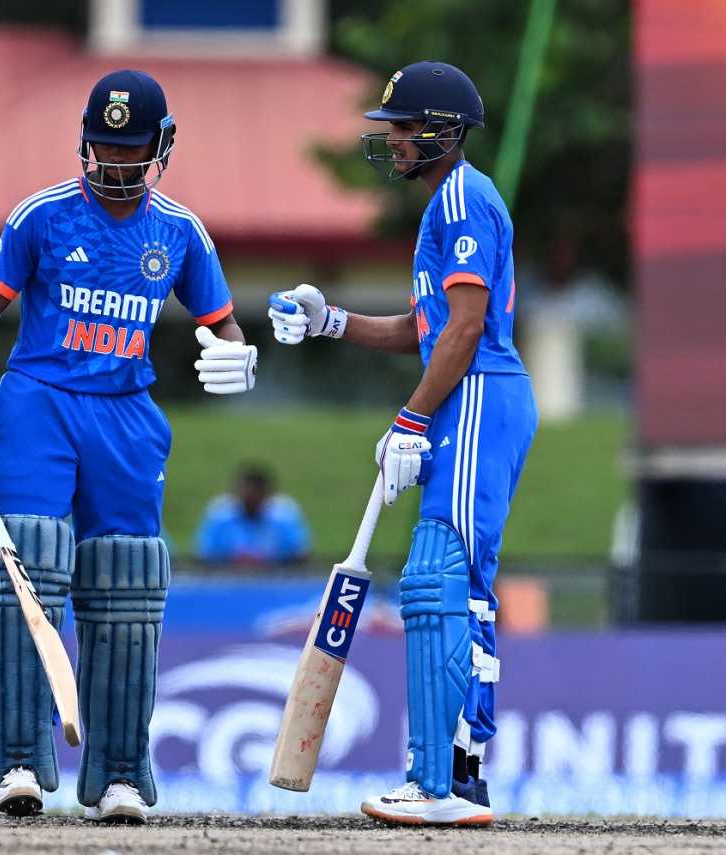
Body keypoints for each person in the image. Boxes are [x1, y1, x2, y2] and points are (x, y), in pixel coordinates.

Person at [0, 69, 257, 823]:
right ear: (84, 143)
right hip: (39, 399)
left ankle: (116, 771)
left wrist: (238, 355)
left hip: (127, 413)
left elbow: (223, 323)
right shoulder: (43, 216)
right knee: (27, 566)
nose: (115, 165)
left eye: (131, 150)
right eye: (104, 149)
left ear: (162, 147)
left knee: (126, 583)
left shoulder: (178, 230)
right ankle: (18, 758)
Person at [268, 61, 537, 827]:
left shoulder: (462, 198)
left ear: (442, 131)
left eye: (403, 127)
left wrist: (413, 418)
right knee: (459, 587)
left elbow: (463, 330)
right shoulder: (446, 205)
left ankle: (436, 784)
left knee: (436, 576)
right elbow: (425, 329)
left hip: (478, 392)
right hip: (473, 391)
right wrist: (332, 322)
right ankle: (460, 771)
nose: (392, 140)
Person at [194, 465, 311, 566]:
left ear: (268, 494)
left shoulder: (285, 516)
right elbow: (204, 556)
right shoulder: (219, 515)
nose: (251, 499)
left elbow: (300, 555)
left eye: (256, 496)